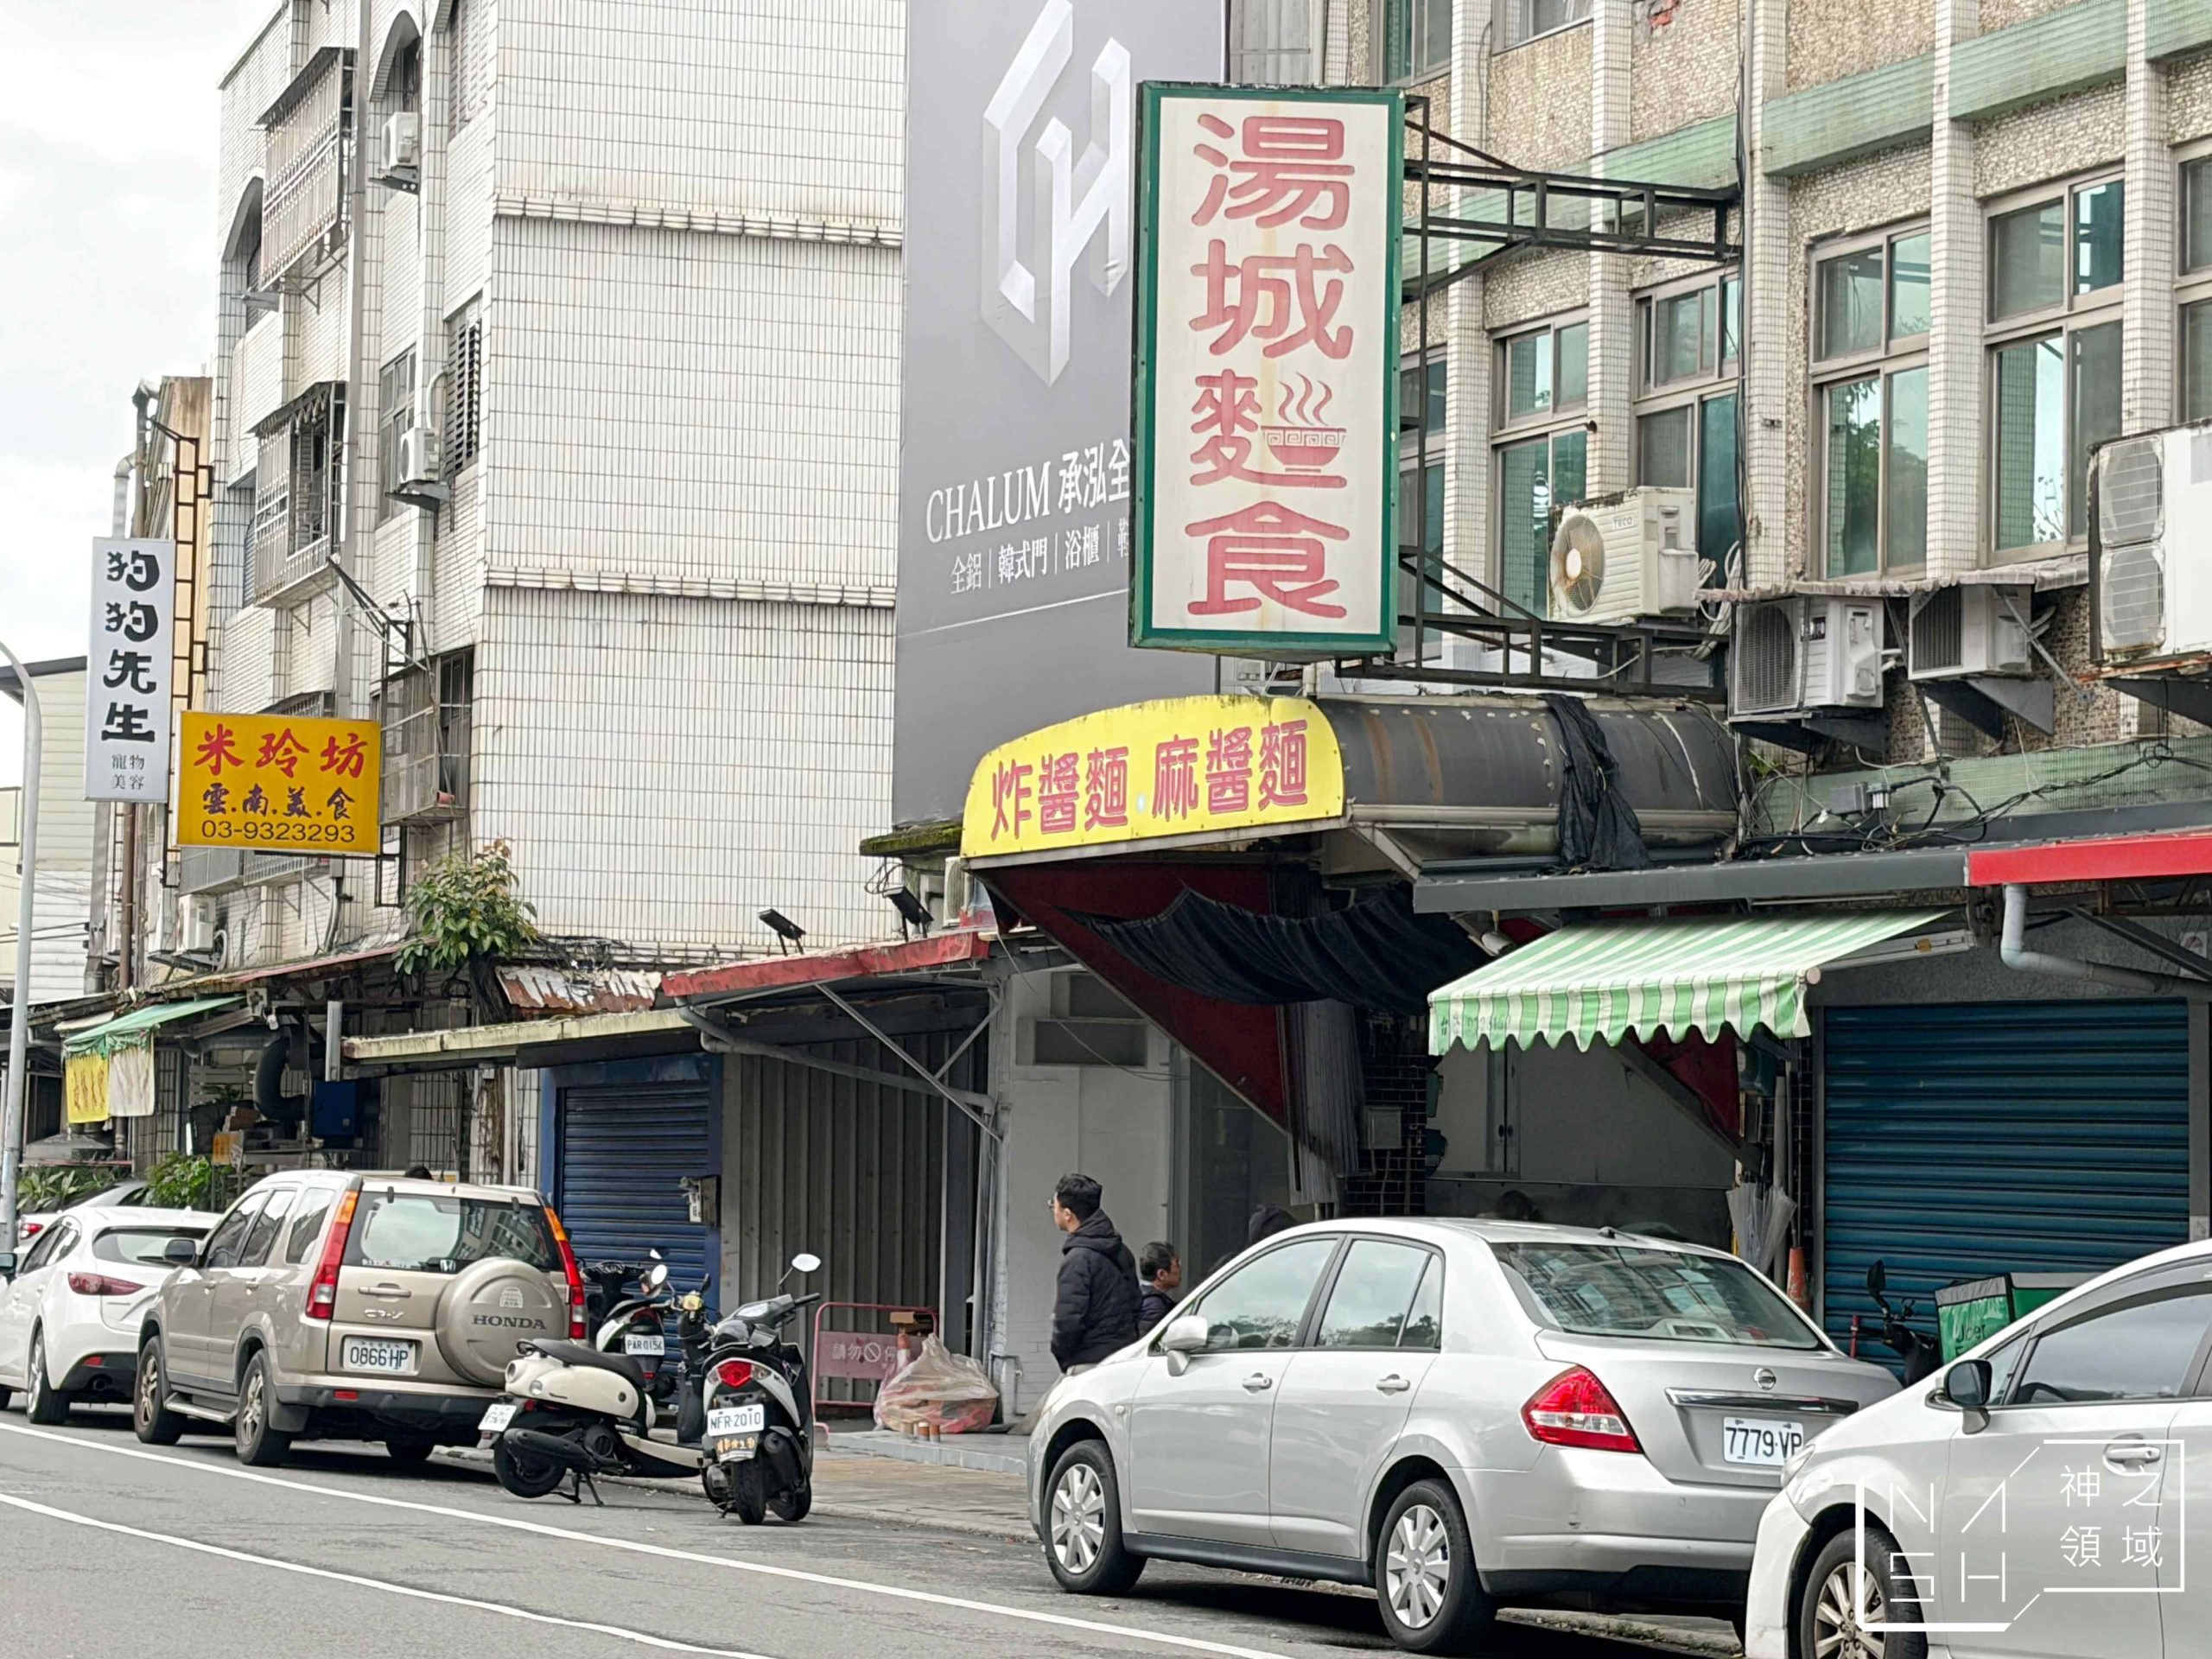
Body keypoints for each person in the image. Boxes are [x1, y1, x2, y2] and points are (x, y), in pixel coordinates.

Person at [1048, 1173, 1139, 1372]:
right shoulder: (1121, 1251)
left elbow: (1068, 1320)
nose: (1052, 1211)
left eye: (1053, 1206)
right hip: (1124, 1358)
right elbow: (1136, 1304)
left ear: (1067, 1214)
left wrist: (1063, 1356)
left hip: (1087, 1362)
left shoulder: (1077, 1260)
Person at [1137, 1241, 1182, 1332]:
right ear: (1161, 1274)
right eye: (1177, 1264)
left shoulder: (1139, 1295)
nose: (1180, 1268)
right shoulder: (1155, 1307)